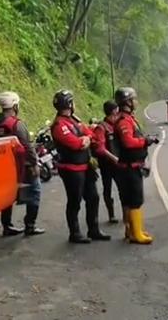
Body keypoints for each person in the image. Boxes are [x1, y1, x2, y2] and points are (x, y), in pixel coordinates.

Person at [51, 89, 111, 244]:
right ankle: (75, 233)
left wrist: (86, 138)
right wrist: (85, 139)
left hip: (85, 166)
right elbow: (76, 143)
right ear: (70, 104)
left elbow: (90, 134)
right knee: (74, 201)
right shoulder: (59, 125)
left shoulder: (73, 121)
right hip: (71, 169)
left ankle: (94, 229)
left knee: (93, 198)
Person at [0, 91, 45, 236]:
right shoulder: (17, 124)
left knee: (8, 196)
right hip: (23, 165)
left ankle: (7, 226)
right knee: (35, 192)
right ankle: (30, 225)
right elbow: (28, 146)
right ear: (15, 106)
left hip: (5, 165)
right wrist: (34, 165)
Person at [114, 87, 159, 245]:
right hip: (129, 167)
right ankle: (136, 234)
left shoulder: (129, 118)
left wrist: (146, 139)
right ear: (127, 102)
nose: (136, 102)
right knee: (135, 201)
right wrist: (144, 141)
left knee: (131, 201)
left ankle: (133, 230)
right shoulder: (123, 121)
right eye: (134, 99)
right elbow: (128, 142)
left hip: (132, 166)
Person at [92, 101, 121, 224]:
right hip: (107, 164)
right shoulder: (102, 128)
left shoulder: (117, 125)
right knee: (107, 188)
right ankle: (111, 214)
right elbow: (100, 149)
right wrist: (114, 158)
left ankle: (127, 213)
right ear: (114, 111)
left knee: (123, 188)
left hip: (119, 163)